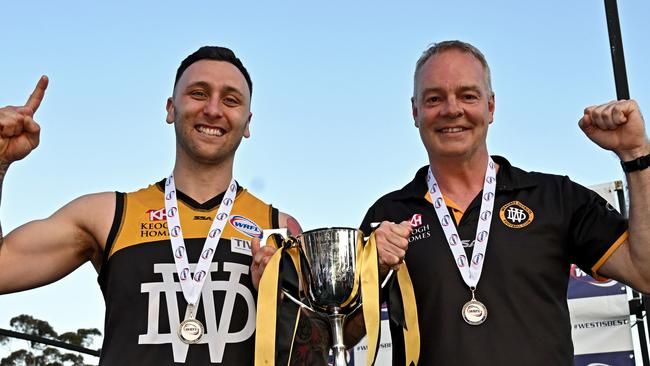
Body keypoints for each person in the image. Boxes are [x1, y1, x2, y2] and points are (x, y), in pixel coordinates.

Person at [0, 46, 330, 365]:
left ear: (247, 123)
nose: (213, 109)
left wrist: (282, 301)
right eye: (199, 93)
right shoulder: (108, 214)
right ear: (171, 108)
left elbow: (316, 353)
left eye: (230, 100)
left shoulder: (280, 228)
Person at [361, 40, 650, 365]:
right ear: (415, 111)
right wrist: (372, 270)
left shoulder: (555, 197)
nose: (451, 109)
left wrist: (635, 156)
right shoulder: (387, 217)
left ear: (491, 106)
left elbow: (645, 272)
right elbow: (341, 331)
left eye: (468, 95)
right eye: (434, 98)